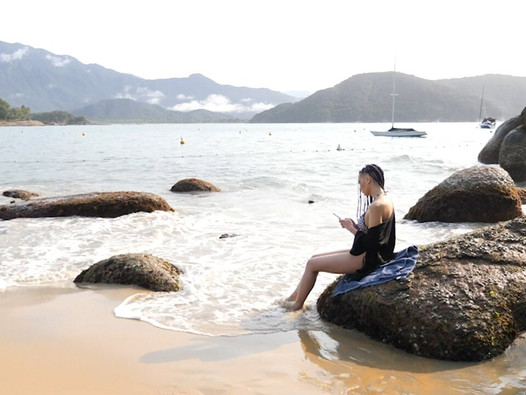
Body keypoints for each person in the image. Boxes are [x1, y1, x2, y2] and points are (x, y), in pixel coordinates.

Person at [286, 164, 396, 311]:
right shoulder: (385, 199)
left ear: (368, 179)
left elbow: (372, 243)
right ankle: (293, 298)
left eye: (360, 182)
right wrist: (355, 227)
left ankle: (297, 307)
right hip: (372, 253)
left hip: (369, 259)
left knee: (312, 265)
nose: (359, 186)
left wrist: (351, 228)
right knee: (313, 257)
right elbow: (375, 235)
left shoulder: (376, 206)